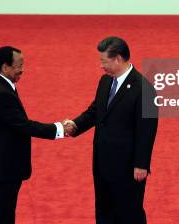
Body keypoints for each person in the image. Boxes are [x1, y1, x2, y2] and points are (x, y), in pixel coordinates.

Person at [64, 37, 158, 224]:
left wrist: (141, 164)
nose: (101, 66)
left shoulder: (144, 89)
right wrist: (76, 125)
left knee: (129, 213)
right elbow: (95, 111)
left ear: (118, 59)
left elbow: (147, 130)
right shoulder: (105, 81)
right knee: (104, 211)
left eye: (104, 61)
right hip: (102, 163)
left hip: (127, 168)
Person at [0, 46, 71, 224]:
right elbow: (23, 125)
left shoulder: (1, 85)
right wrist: (59, 129)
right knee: (0, 217)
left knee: (3, 216)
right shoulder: (0, 92)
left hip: (0, 168)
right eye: (19, 65)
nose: (22, 69)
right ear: (5, 68)